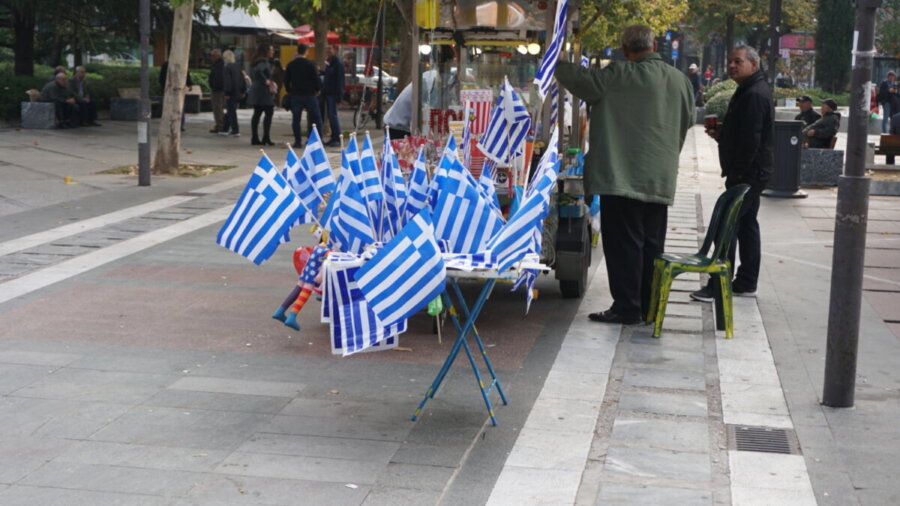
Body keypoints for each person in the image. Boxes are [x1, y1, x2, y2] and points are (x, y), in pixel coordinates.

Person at [555, 24, 695, 324]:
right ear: (654, 44)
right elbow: (685, 124)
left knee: (624, 244)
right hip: (659, 177)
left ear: (624, 48)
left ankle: (627, 307)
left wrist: (553, 57)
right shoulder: (680, 80)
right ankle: (650, 305)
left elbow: (578, 79)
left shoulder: (617, 75)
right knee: (652, 245)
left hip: (620, 177)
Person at [691, 45, 772, 303]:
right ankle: (747, 282)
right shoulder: (748, 90)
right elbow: (744, 134)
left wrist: (737, 175)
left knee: (726, 227)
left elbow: (751, 140)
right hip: (751, 172)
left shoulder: (754, 94)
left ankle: (718, 284)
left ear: (754, 65)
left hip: (747, 174)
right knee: (747, 226)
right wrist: (723, 135)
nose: (732, 66)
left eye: (738, 61)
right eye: (730, 61)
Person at [284, 43, 323, 148]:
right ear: (306, 51)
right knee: (316, 118)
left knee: (296, 119)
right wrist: (318, 89)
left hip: (296, 95)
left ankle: (298, 141)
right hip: (310, 95)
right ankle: (317, 140)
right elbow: (316, 79)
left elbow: (286, 81)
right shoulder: (310, 65)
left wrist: (289, 91)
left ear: (297, 51)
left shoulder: (291, 65)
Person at [248, 43, 276, 145]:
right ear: (267, 51)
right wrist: (266, 80)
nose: (273, 52)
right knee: (268, 112)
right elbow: (259, 71)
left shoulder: (257, 61)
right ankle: (265, 137)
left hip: (258, 90)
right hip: (263, 91)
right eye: (271, 50)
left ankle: (255, 137)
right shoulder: (263, 62)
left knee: (257, 113)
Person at [158, 60, 193, 131]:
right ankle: (179, 124)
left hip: (169, 88)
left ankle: (169, 123)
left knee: (169, 106)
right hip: (178, 88)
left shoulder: (166, 64)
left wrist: (164, 87)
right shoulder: (182, 63)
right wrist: (189, 84)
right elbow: (186, 74)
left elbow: (161, 78)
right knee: (179, 106)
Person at [322, 46, 344, 147]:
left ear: (335, 50)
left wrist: (339, 96)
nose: (328, 51)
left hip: (333, 94)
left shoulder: (337, 63)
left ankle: (336, 137)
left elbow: (339, 80)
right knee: (331, 115)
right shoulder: (330, 62)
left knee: (333, 115)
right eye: (327, 49)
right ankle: (334, 136)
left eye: (330, 49)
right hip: (329, 93)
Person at [220, 49, 244, 137]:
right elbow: (242, 79)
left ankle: (235, 129)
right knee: (230, 110)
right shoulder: (237, 67)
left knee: (231, 111)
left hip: (231, 92)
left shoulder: (227, 68)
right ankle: (225, 128)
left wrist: (227, 93)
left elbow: (227, 81)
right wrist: (243, 90)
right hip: (237, 91)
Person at [208, 48, 225, 133]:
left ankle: (220, 125)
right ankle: (220, 124)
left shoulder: (219, 65)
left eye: (212, 56)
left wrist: (215, 86)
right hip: (219, 89)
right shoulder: (219, 64)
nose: (211, 58)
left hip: (218, 90)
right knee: (218, 107)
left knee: (217, 108)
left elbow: (218, 78)